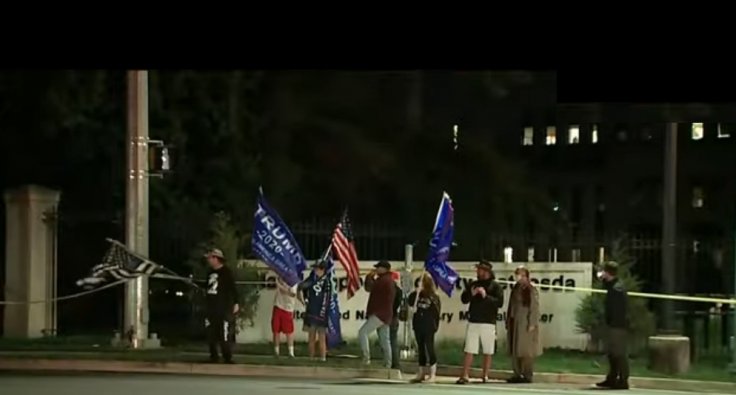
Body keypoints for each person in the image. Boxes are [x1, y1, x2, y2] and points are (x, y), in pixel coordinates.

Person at [456, 260, 504, 384]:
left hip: (488, 322)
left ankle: (485, 375)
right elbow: (464, 299)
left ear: (487, 272)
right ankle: (465, 375)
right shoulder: (473, 284)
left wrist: (485, 296)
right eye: (478, 269)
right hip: (474, 320)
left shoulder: (495, 286)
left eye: (480, 270)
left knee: (488, 350)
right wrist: (471, 294)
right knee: (469, 348)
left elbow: (499, 303)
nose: (478, 272)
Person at [596, 261, 630, 390]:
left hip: (618, 326)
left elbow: (618, 310)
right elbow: (606, 284)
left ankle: (623, 380)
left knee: (619, 354)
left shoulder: (617, 289)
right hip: (613, 325)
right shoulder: (614, 285)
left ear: (607, 271)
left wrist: (613, 325)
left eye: (603, 271)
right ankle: (611, 378)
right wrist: (602, 278)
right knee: (612, 354)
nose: (601, 273)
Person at [506, 265, 542, 383]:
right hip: (515, 321)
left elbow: (534, 307)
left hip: (525, 323)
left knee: (526, 350)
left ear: (526, 276)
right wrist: (508, 320)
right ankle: (517, 373)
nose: (518, 277)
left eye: (521, 274)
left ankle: (527, 374)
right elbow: (511, 305)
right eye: (517, 274)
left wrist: (532, 323)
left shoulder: (531, 289)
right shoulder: (516, 288)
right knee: (515, 349)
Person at [204, 248, 239, 364]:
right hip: (211, 308)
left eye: (210, 258)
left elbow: (233, 289)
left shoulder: (226, 272)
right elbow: (207, 288)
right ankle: (213, 356)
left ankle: (227, 357)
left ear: (216, 259)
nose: (209, 260)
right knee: (211, 335)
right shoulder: (209, 273)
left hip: (223, 308)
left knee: (224, 334)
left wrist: (236, 303)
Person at [359, 260, 396, 367]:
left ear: (384, 269)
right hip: (386, 314)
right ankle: (388, 363)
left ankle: (366, 358)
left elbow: (369, 287)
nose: (376, 269)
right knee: (385, 340)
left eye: (378, 267)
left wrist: (369, 277)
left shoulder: (384, 280)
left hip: (380, 313)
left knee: (363, 332)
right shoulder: (388, 280)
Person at [407, 272, 442, 383]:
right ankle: (421, 373)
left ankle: (432, 374)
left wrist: (435, 325)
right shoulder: (416, 295)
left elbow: (436, 312)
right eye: (417, 284)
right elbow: (410, 302)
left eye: (421, 284)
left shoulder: (433, 296)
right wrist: (416, 293)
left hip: (429, 326)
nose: (419, 286)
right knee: (421, 348)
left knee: (429, 348)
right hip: (418, 325)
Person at [298, 260, 331, 362]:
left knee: (322, 337)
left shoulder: (327, 281)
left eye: (317, 268)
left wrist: (323, 313)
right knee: (311, 337)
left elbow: (327, 299)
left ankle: (323, 358)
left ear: (323, 269)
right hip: (311, 312)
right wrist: (304, 298)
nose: (315, 270)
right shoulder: (312, 278)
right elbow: (302, 286)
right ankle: (311, 358)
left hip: (321, 314)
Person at [272, 274, 299, 358]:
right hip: (278, 306)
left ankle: (291, 352)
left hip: (287, 309)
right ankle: (276, 352)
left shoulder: (294, 281)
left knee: (288, 331)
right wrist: (279, 281)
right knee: (276, 330)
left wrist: (281, 286)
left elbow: (292, 294)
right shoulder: (280, 277)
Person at [388, 271, 404, 370]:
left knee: (390, 341)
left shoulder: (391, 290)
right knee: (393, 340)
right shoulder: (399, 291)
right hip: (395, 317)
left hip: (390, 317)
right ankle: (395, 362)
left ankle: (392, 362)